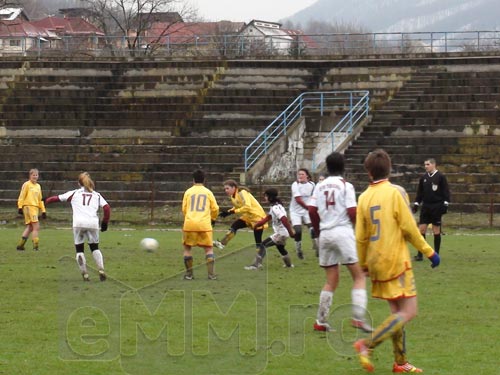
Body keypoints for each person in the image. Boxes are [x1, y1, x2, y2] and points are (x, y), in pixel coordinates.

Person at [354, 149, 440, 373]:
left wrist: (363, 263)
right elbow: (410, 228)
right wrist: (429, 251)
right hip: (395, 261)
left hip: (375, 262)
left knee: (397, 314)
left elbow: (361, 237)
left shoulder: (363, 198)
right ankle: (367, 344)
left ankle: (400, 362)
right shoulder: (394, 194)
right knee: (409, 312)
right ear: (389, 169)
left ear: (368, 172)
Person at [308, 152, 372, 333]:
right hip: (342, 232)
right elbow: (352, 211)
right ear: (343, 167)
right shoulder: (346, 186)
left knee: (331, 280)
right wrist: (360, 228)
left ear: (327, 167)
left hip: (325, 234)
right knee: (359, 276)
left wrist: (319, 230)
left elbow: (312, 210)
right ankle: (358, 318)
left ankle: (320, 321)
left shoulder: (319, 186)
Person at [45, 172, 111, 282]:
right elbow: (107, 208)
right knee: (95, 247)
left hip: (79, 224)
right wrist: (105, 222)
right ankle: (101, 269)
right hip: (92, 224)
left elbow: (57, 198)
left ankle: (85, 274)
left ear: (78, 183)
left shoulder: (74, 193)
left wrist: (45, 201)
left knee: (79, 250)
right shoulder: (96, 195)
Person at [213, 179, 268, 261]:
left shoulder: (242, 192)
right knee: (234, 226)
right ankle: (222, 244)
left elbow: (247, 206)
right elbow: (237, 207)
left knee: (258, 240)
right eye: (225, 189)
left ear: (234, 187)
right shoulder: (233, 196)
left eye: (227, 188)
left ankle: (258, 260)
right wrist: (228, 212)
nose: (225, 190)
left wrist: (233, 211)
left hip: (257, 216)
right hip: (248, 216)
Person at [181, 169, 220, 280]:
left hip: (189, 224)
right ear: (204, 180)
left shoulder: (188, 192)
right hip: (204, 225)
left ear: (193, 180)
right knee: (208, 249)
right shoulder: (208, 192)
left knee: (187, 248)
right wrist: (213, 218)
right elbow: (215, 208)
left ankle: (189, 275)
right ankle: (211, 275)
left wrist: (189, 217)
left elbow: (184, 208)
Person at [246, 188, 295, 270]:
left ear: (270, 197)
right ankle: (289, 265)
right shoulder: (276, 206)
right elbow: (269, 217)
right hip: (283, 233)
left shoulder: (276, 207)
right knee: (281, 248)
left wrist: (291, 232)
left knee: (263, 245)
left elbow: (284, 219)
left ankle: (255, 265)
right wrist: (258, 224)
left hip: (281, 233)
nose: (265, 198)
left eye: (266, 196)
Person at [412, 158, 451, 261]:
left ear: (434, 165)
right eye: (425, 164)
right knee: (421, 230)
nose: (426, 166)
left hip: (436, 207)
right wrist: (416, 204)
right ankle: (420, 254)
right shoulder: (423, 178)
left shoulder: (441, 177)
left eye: (428, 164)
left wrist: (445, 204)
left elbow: (446, 192)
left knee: (436, 230)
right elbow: (420, 193)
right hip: (425, 207)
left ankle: (436, 254)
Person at [16, 168, 47, 251]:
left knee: (30, 227)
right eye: (33, 175)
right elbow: (22, 196)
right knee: (36, 227)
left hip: (35, 208)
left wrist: (43, 210)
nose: (35, 177)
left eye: (36, 175)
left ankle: (20, 246)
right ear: (30, 176)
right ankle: (35, 246)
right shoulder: (26, 185)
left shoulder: (38, 186)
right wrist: (20, 206)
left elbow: (40, 199)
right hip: (29, 207)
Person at [289, 168, 316, 259]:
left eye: (302, 174)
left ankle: (316, 246)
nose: (300, 176)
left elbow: (314, 197)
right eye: (299, 174)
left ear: (307, 176)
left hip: (306, 211)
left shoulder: (312, 185)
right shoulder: (295, 184)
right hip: (295, 211)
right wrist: (308, 208)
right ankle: (299, 250)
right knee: (298, 231)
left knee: (312, 228)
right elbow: (298, 200)